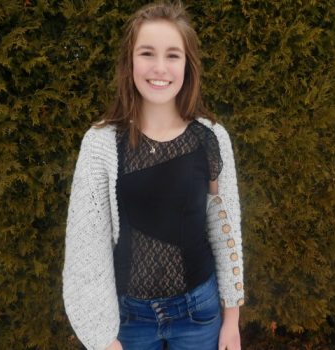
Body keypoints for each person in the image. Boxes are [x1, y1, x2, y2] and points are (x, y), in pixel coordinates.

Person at [62, 1, 245, 350]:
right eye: (147, 53)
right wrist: (102, 338)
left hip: (199, 314)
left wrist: (231, 321)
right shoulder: (102, 144)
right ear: (130, 61)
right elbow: (86, 244)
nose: (160, 67)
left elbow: (226, 229)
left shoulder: (211, 138)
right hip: (128, 320)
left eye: (173, 55)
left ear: (187, 65)